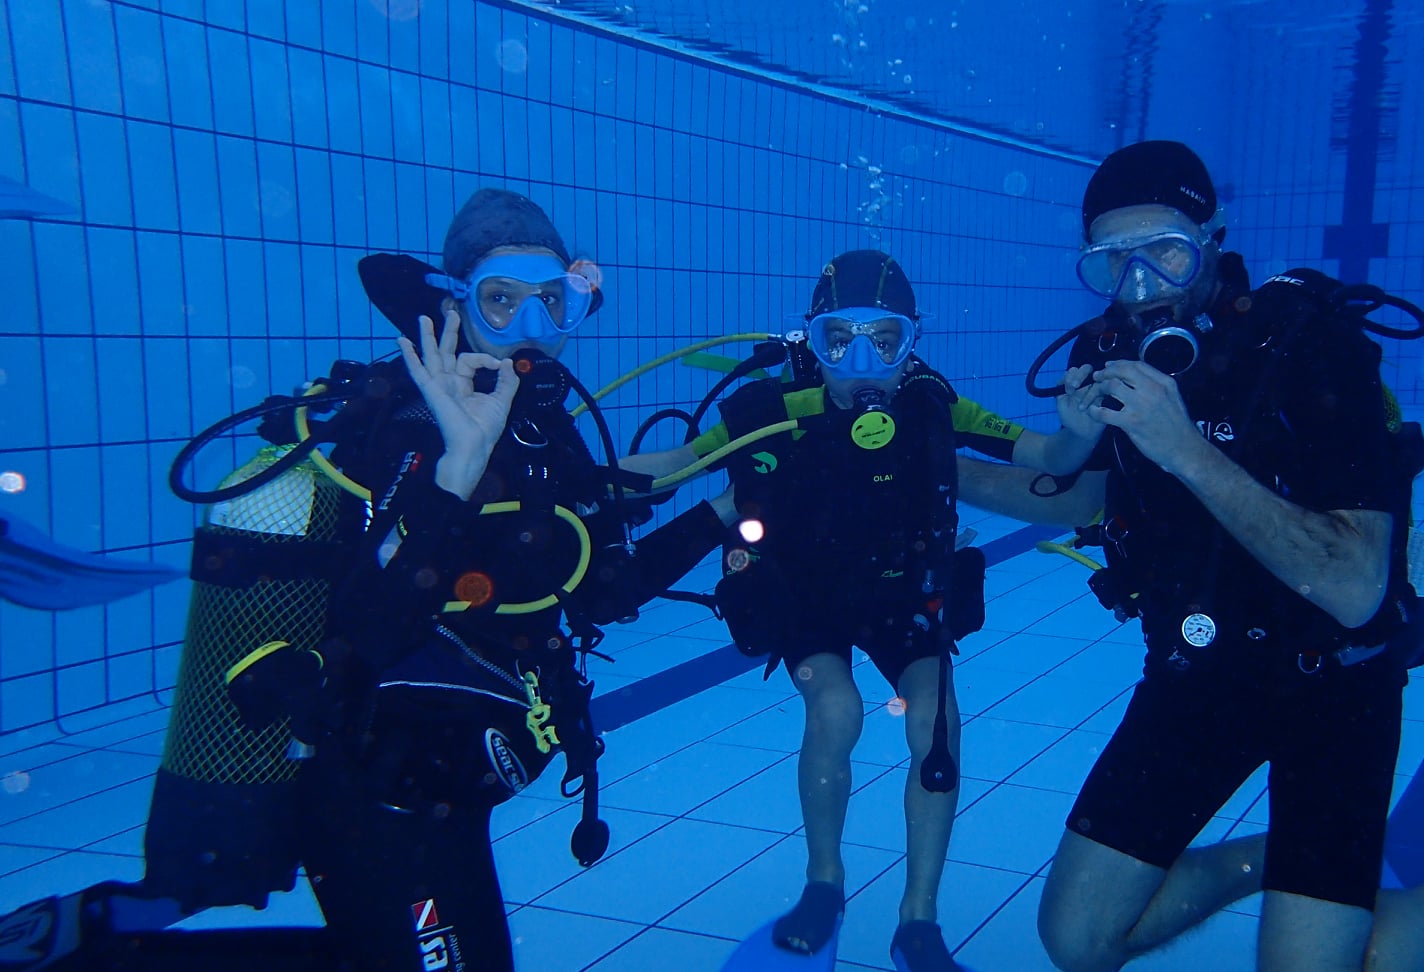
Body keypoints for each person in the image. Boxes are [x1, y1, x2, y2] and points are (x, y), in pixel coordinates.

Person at [0, 188, 730, 972]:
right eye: (500, 300)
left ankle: (113, 922)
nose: (529, 329)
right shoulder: (410, 430)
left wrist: (725, 495)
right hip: (380, 782)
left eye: (550, 302)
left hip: (450, 771)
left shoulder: (529, 419)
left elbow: (598, 579)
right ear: (455, 304)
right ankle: (100, 947)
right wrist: (454, 470)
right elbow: (373, 625)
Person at [956, 141, 1424, 972]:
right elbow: (1086, 496)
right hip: (1199, 673)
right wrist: (940, 470)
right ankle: (1284, 861)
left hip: (1335, 682)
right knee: (1078, 941)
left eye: (1164, 249)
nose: (1142, 283)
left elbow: (1351, 585)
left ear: (1212, 236)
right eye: (1111, 263)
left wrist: (1184, 447)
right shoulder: (1107, 352)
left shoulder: (1312, 350)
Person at [630, 250, 1103, 972]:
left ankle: (918, 919)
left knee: (936, 723)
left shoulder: (932, 404)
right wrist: (586, 478)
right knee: (837, 711)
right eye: (837, 340)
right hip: (807, 595)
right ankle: (825, 884)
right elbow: (680, 462)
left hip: (900, 591)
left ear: (912, 341)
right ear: (809, 339)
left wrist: (1079, 429)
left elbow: (1049, 453)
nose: (861, 363)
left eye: (884, 341)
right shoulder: (773, 409)